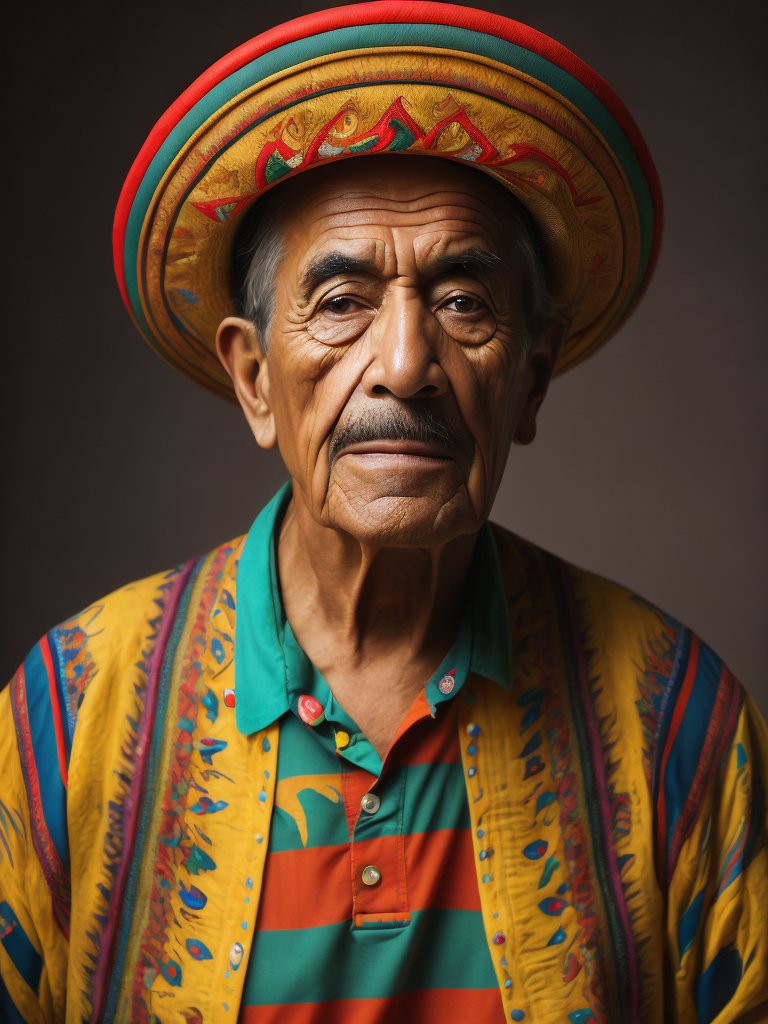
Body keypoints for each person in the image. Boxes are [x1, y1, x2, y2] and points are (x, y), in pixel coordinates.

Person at [1, 4, 765, 1023]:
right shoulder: (66, 717)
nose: (405, 366)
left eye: (462, 302)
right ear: (255, 381)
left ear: (532, 379)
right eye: (342, 299)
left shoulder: (678, 721)